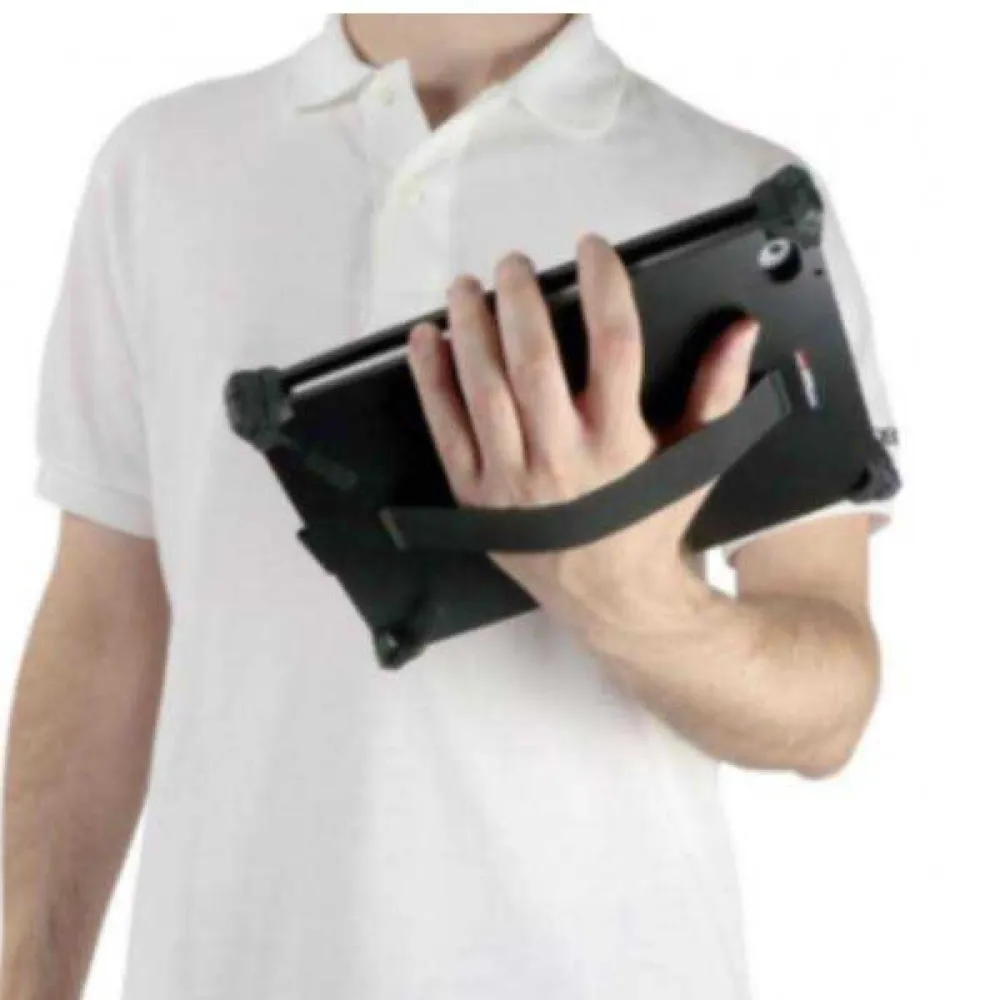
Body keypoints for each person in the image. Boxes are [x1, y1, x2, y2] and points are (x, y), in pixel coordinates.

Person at [1, 13, 900, 1000]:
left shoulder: (740, 193)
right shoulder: (161, 170)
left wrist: (627, 597)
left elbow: (828, 703)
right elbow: (102, 630)